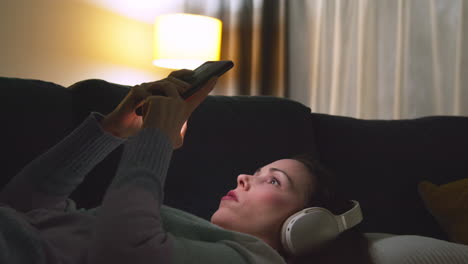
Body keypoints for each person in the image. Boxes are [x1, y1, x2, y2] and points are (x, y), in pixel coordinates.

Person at [1, 69, 467, 264]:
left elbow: (125, 251)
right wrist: (111, 131)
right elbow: (24, 204)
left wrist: (156, 142)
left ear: (306, 226)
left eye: (273, 180)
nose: (245, 175)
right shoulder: (188, 231)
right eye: (259, 169)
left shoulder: (252, 259)